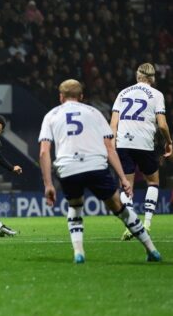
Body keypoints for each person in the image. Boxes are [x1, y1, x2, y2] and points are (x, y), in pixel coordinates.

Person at [39, 79, 160, 263]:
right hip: (95, 165)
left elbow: (44, 152)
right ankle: (151, 249)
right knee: (119, 207)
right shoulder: (94, 113)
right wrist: (123, 178)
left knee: (75, 206)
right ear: (81, 96)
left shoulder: (51, 115)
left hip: (68, 168)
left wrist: (48, 184)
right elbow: (110, 148)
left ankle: (79, 252)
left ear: (61, 97)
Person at [111, 63, 173, 240]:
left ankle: (131, 226)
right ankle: (146, 223)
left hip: (123, 143)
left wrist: (112, 145)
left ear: (137, 76)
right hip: (145, 143)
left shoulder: (123, 93)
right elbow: (162, 124)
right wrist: (169, 142)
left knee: (127, 185)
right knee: (153, 182)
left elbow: (113, 124)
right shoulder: (157, 95)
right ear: (152, 78)